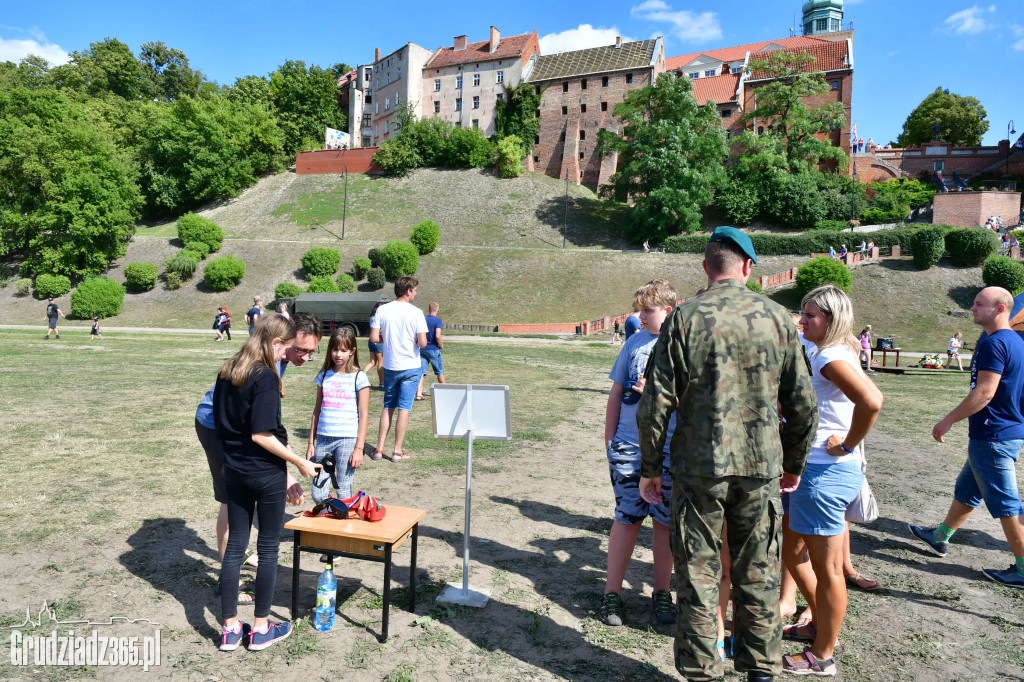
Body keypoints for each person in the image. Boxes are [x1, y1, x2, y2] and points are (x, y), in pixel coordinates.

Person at [637, 226, 818, 681]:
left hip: (699, 468)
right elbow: (803, 405)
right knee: (758, 574)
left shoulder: (684, 318)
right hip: (760, 468)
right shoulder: (779, 318)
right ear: (749, 268)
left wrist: (650, 467)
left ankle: (702, 672)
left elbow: (655, 401)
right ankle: (760, 671)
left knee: (698, 576)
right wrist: (793, 464)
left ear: (706, 266)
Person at [780, 285, 883, 676]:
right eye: (802, 313)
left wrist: (847, 445)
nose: (802, 321)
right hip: (809, 469)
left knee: (828, 571)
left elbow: (872, 401)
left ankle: (823, 655)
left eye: (810, 316)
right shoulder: (823, 349)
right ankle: (820, 625)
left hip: (825, 470)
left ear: (831, 320)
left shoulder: (828, 356)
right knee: (792, 554)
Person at [214, 314, 320, 652]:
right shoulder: (265, 378)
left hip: (234, 470)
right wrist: (299, 461)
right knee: (269, 548)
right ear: (275, 343)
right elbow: (262, 434)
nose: (286, 356)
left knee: (234, 549)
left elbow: (222, 425)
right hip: (264, 473)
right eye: (286, 348)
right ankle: (260, 629)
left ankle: (230, 630)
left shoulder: (228, 369)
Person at [909, 287, 1024, 589]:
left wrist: (947, 421)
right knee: (968, 487)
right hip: (1002, 433)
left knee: (1007, 506)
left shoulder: (995, 342)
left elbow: (985, 392)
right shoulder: (1014, 340)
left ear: (1001, 309)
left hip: (993, 435)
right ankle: (939, 537)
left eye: (979, 304)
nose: (972, 308)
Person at [600, 280, 678, 628]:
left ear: (669, 310)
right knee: (627, 518)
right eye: (639, 309)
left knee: (665, 523)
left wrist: (659, 396)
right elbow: (616, 392)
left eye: (648, 309)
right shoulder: (634, 341)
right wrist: (610, 439)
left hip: (671, 452)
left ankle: (661, 591)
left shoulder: (683, 347)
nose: (640, 315)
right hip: (629, 448)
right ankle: (611, 593)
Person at [306, 328, 370, 504]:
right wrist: (311, 442)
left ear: (352, 351)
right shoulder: (324, 375)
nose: (338, 354)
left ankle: (342, 526)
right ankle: (329, 515)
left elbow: (364, 415)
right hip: (324, 439)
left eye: (343, 350)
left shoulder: (359, 377)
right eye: (335, 349)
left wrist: (359, 448)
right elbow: (316, 411)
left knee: (343, 490)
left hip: (347, 440)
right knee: (318, 494)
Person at [369, 276, 427, 462]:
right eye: (415, 290)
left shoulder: (382, 310)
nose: (416, 293)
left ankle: (378, 449)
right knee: (404, 408)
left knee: (388, 407)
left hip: (391, 365)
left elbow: (374, 338)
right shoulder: (416, 312)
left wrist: (390, 340)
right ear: (409, 290)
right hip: (411, 366)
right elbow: (423, 343)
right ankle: (396, 451)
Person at [416, 302, 445, 400]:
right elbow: (437, 335)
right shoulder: (438, 321)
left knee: (422, 372)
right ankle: (445, 390)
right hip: (433, 349)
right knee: (439, 371)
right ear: (437, 310)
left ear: (429, 310)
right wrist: (440, 345)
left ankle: (419, 393)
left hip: (423, 349)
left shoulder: (423, 320)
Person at [362, 301, 385, 388]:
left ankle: (360, 376)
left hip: (371, 341)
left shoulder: (372, 317)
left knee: (372, 362)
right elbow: (377, 330)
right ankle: (382, 383)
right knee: (380, 362)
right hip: (378, 341)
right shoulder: (378, 318)